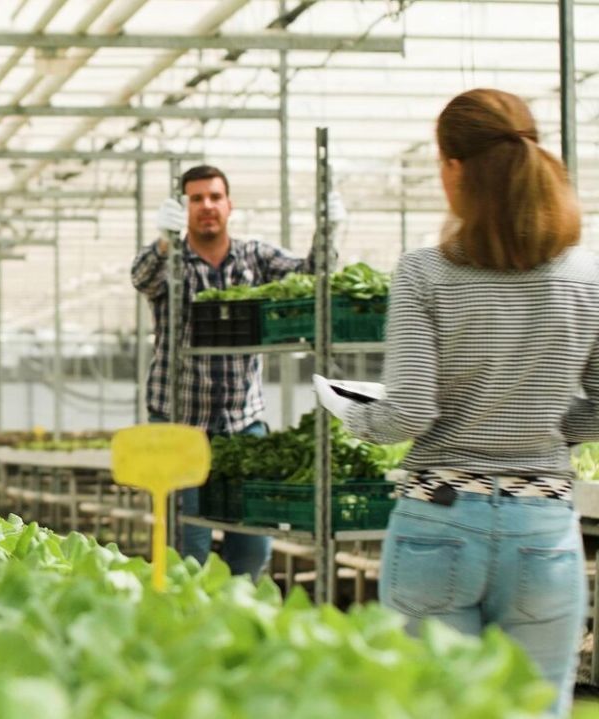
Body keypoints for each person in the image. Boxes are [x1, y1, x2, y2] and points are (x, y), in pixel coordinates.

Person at [314, 88, 595, 718]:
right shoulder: (586, 278)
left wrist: (348, 409)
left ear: (455, 169)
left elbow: (407, 413)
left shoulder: (425, 274)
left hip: (437, 527)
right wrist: (550, 427)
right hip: (543, 531)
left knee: (430, 708)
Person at [130, 164, 344, 580]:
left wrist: (329, 229)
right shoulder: (172, 263)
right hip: (178, 425)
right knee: (186, 546)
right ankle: (185, 623)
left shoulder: (254, 257)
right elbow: (141, 277)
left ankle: (237, 618)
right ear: (183, 208)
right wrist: (163, 242)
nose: (206, 206)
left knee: (252, 542)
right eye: (195, 199)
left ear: (229, 205)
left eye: (214, 197)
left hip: (242, 423)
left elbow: (313, 276)